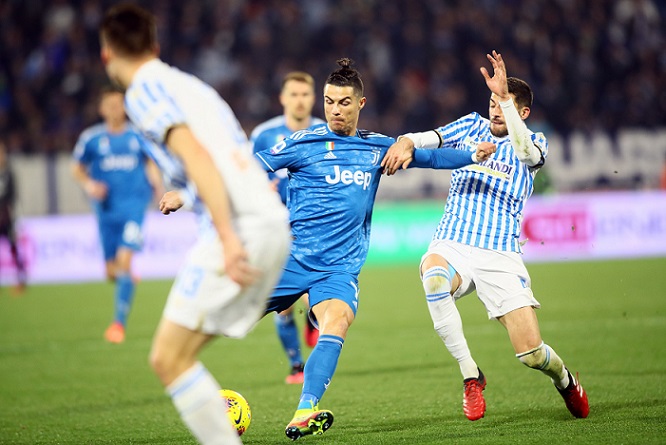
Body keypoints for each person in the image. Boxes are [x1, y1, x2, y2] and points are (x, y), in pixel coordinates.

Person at [254, 58, 496, 440]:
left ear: (360, 104)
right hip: (292, 259)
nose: (335, 110)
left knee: (337, 322)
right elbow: (249, 167)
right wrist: (189, 193)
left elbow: (429, 157)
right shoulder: (302, 143)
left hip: (338, 269)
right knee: (224, 319)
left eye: (344, 103)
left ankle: (305, 410)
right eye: (329, 102)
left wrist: (472, 155)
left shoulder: (376, 148)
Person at [99, 4, 291, 445]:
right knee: (175, 357)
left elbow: (198, 157)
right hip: (266, 217)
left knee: (168, 358)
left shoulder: (142, 91)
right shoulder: (191, 86)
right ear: (156, 45)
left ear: (107, 54)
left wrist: (226, 236)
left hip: (240, 226)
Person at [381, 50, 589, 421]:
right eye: (492, 101)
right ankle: (471, 375)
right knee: (432, 276)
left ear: (521, 112)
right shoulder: (469, 127)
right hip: (454, 241)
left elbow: (526, 152)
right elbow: (427, 137)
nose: (494, 109)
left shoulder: (534, 142)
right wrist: (405, 142)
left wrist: (508, 102)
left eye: (503, 104)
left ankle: (565, 379)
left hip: (500, 253)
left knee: (531, 354)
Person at [250, 71, 325, 385]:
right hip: (275, 228)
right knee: (282, 307)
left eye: (305, 94)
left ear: (313, 98)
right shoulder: (265, 134)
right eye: (293, 94)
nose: (300, 100)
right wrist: (261, 188)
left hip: (313, 227)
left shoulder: (326, 131)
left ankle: (312, 318)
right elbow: (246, 170)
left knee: (313, 300)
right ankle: (296, 366)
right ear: (283, 98)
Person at [72, 85, 163, 343]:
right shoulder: (91, 138)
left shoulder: (138, 136)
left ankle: (117, 325)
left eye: (120, 104)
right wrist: (90, 185)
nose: (116, 109)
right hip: (105, 212)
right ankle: (125, 278)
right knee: (112, 272)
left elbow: (151, 163)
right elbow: (76, 168)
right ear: (101, 109)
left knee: (124, 264)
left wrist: (158, 188)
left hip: (134, 208)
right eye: (110, 105)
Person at [0, 140, 26, 293]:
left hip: (6, 217)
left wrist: (9, 214)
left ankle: (20, 279)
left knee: (13, 248)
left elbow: (12, 196)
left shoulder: (8, 173)